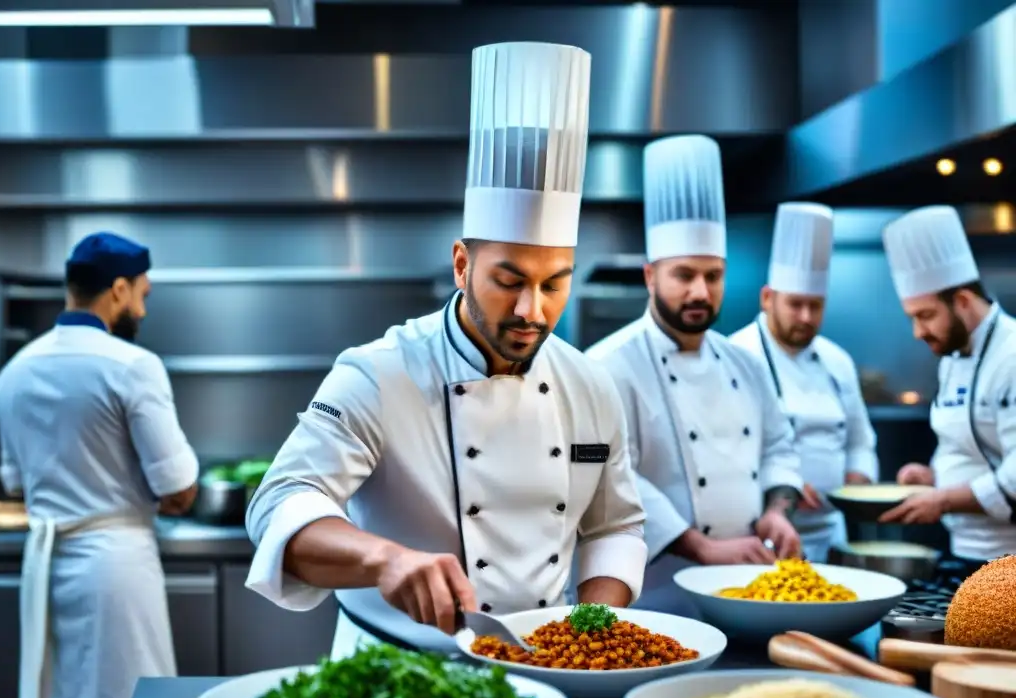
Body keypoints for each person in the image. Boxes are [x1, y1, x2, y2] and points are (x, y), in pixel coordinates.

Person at [243, 42, 647, 659]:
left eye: (554, 283)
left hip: (547, 670)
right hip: (392, 674)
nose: (531, 311)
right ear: (462, 264)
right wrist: (383, 559)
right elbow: (278, 504)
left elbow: (615, 525)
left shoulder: (589, 384)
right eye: (508, 281)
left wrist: (586, 636)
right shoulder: (379, 373)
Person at [0, 232, 199, 698]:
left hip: (47, 569)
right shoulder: (132, 366)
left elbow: (15, 485)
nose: (143, 309)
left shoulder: (13, 373)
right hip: (116, 571)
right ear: (117, 288)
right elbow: (179, 490)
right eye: (143, 295)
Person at [585, 134, 803, 594]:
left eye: (713, 276)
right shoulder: (605, 365)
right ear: (650, 275)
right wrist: (697, 545)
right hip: (651, 588)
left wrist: (776, 510)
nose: (701, 292)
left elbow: (780, 445)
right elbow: (601, 469)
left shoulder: (745, 362)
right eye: (684, 275)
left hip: (748, 581)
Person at [730, 203, 879, 563]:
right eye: (796, 304)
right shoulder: (736, 355)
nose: (806, 317)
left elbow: (860, 440)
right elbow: (730, 456)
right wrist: (787, 489)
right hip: (765, 536)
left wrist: (858, 479)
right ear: (767, 298)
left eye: (816, 306)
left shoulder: (837, 360)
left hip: (832, 532)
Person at [879, 205, 1016, 565]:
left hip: (1008, 561)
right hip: (962, 550)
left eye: (925, 316)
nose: (918, 332)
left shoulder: (1011, 355)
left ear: (962, 301)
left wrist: (942, 500)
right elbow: (970, 450)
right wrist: (933, 477)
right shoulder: (953, 358)